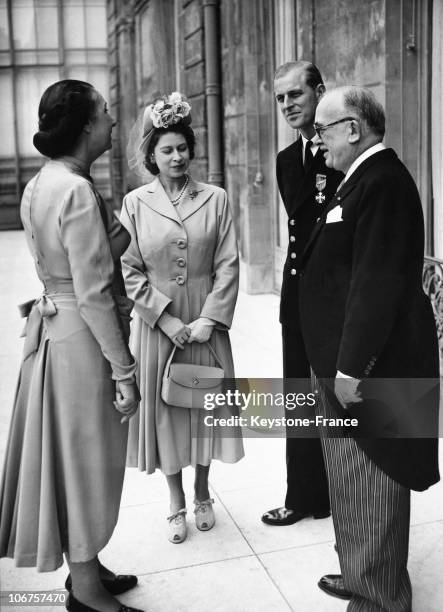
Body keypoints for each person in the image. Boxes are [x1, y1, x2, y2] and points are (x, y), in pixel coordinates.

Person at [0, 80, 143, 612]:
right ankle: (84, 590)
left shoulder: (44, 182)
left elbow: (73, 261)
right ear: (86, 125)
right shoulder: (77, 190)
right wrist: (124, 372)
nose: (113, 118)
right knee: (88, 462)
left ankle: (89, 567)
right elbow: (95, 292)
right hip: (84, 341)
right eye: (105, 112)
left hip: (55, 336)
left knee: (74, 455)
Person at [299, 85, 440, 610]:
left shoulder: (382, 182)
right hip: (341, 363)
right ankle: (362, 575)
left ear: (352, 129)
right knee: (349, 481)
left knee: (374, 482)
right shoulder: (360, 180)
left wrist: (351, 367)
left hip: (368, 370)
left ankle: (381, 598)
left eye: (322, 130)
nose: (318, 143)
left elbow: (375, 285)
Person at [121, 92, 244, 544]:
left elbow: (229, 263)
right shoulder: (135, 203)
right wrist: (166, 320)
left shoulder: (216, 198)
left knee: (205, 407)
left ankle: (202, 491)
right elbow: (128, 269)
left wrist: (210, 318)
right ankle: (174, 499)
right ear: (152, 155)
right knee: (166, 411)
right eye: (166, 149)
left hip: (205, 320)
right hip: (159, 326)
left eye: (182, 147)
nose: (177, 156)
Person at [261, 61, 342, 527]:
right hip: (298, 299)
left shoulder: (346, 152)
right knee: (298, 400)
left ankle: (340, 493)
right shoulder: (286, 161)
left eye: (296, 94)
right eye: (280, 98)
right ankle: (303, 495)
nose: (288, 105)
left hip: (336, 300)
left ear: (320, 92)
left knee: (340, 401)